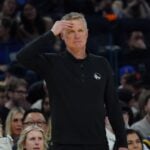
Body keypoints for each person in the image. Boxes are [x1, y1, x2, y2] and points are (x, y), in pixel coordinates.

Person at [16, 12, 128, 150]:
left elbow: (113, 105)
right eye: (70, 31)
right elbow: (22, 57)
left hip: (98, 143)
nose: (77, 35)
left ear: (87, 33)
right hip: (63, 144)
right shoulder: (52, 63)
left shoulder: (101, 64)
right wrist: (51, 33)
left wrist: (122, 142)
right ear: (62, 35)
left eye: (80, 30)